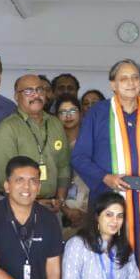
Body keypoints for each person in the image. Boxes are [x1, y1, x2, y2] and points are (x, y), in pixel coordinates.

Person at [71, 60, 140, 273]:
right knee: (105, 258)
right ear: (113, 84)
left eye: (135, 77)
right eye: (124, 78)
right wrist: (106, 178)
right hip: (107, 200)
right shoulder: (97, 113)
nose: (131, 82)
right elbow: (79, 157)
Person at [0, 74, 71, 211]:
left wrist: (60, 199)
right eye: (28, 91)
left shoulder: (56, 124)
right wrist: (35, 203)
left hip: (52, 205)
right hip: (16, 205)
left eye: (40, 89)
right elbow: (5, 178)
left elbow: (63, 166)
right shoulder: (6, 129)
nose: (36, 95)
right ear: (17, 96)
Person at [55, 96, 89, 237]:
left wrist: (85, 211)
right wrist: (65, 209)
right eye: (63, 112)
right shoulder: (51, 142)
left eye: (73, 111)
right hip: (58, 208)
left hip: (89, 208)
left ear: (81, 113)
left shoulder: (91, 141)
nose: (68, 116)